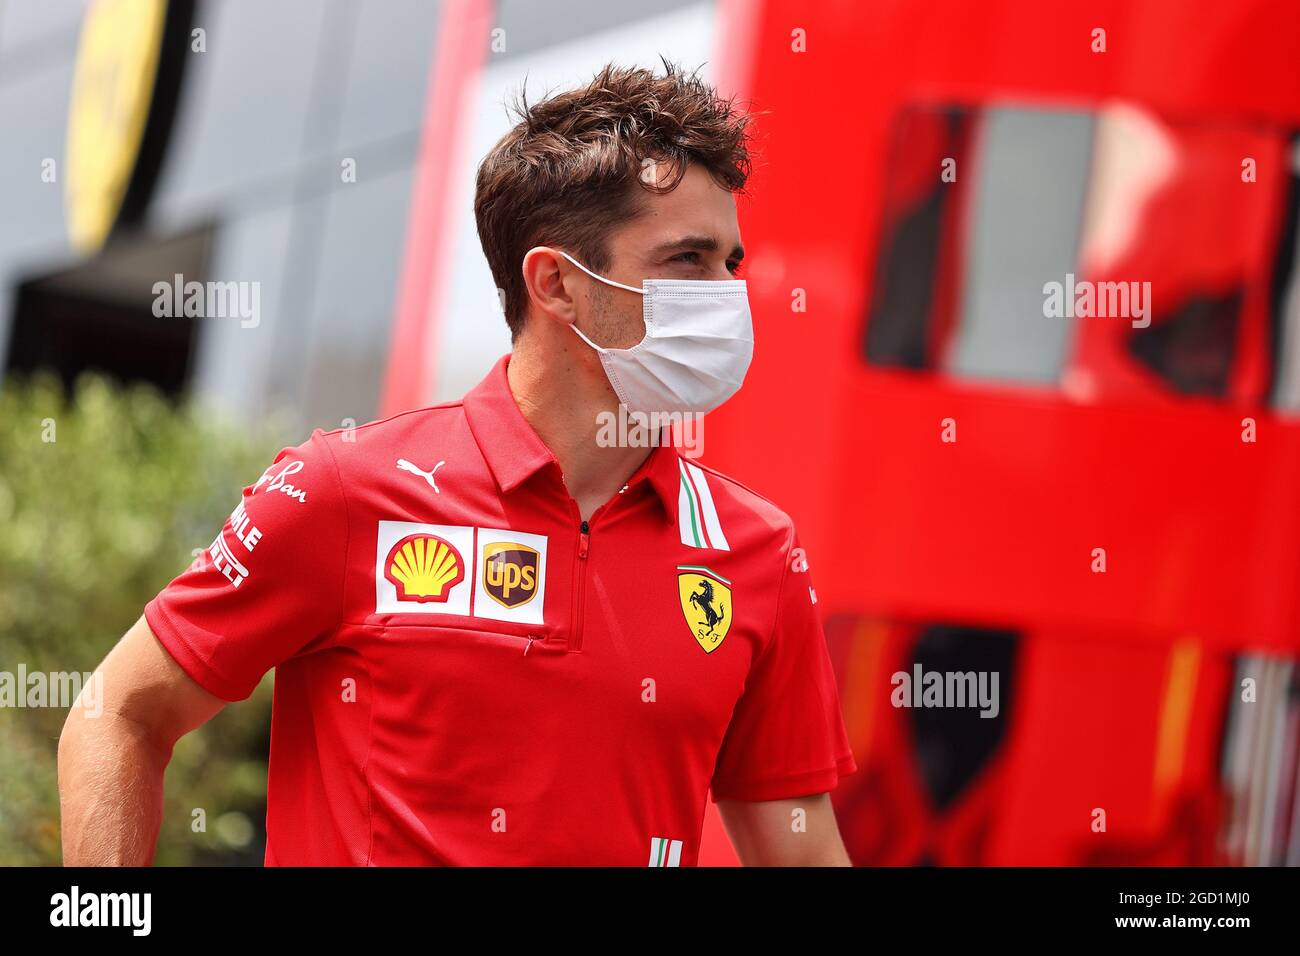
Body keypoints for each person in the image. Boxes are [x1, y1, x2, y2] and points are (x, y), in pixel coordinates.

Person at [59, 62, 856, 866]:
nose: (726, 294)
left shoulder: (757, 551)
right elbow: (118, 714)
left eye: (731, 263)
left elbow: (803, 851)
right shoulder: (341, 490)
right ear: (557, 284)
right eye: (688, 260)